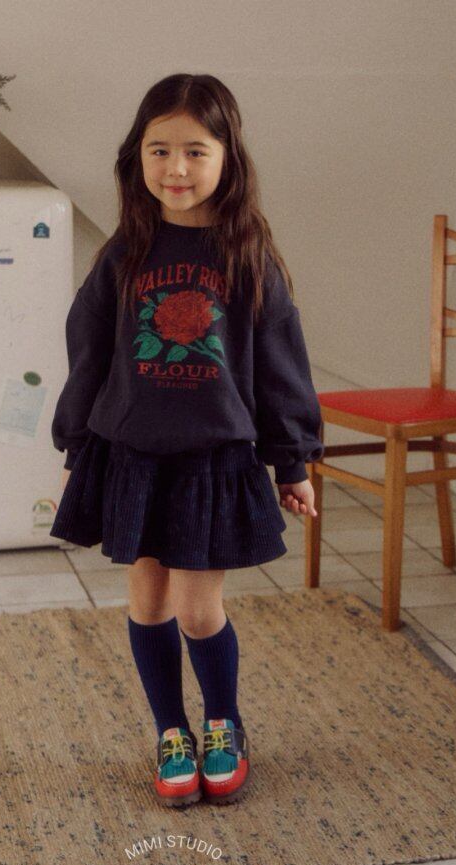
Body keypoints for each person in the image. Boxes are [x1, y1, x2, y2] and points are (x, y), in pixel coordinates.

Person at [49, 73, 324, 808]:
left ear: (228, 156)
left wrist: (291, 460)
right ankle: (171, 732)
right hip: (133, 455)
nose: (176, 168)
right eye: (159, 149)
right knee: (147, 602)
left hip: (213, 459)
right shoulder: (126, 251)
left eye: (195, 151)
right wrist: (77, 444)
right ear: (136, 156)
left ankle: (223, 722)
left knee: (199, 610)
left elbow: (281, 365)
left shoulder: (248, 255)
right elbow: (89, 351)